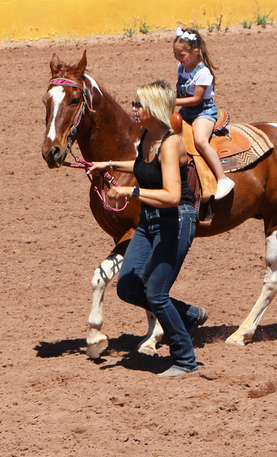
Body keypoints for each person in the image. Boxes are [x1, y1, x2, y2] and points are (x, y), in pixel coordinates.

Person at [89, 79, 207, 377]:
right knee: (128, 286)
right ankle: (188, 314)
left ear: (154, 109)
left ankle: (184, 359)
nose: (134, 108)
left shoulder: (170, 144)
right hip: (149, 222)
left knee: (156, 294)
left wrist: (131, 193)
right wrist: (108, 164)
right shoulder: (146, 138)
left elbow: (172, 195)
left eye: (139, 104)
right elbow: (142, 166)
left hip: (175, 221)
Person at [172, 26, 235, 200]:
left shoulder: (203, 73)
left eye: (181, 55)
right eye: (175, 54)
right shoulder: (182, 67)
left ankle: (223, 179)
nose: (178, 58)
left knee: (200, 140)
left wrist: (170, 101)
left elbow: (196, 99)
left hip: (203, 112)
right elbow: (181, 93)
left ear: (195, 51)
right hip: (186, 110)